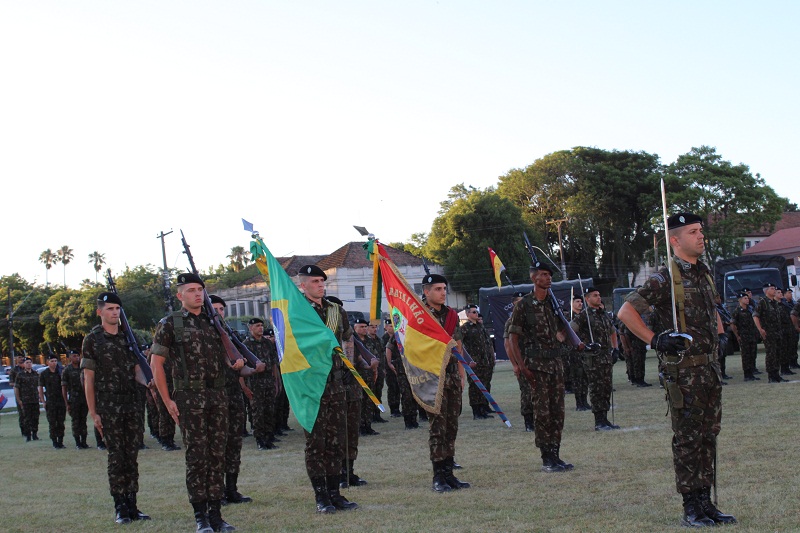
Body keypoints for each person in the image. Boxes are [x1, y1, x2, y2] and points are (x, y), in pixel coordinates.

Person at [618, 212, 736, 527]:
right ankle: (691, 508)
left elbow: (712, 311)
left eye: (701, 231)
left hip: (708, 370)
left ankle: (705, 502)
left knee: (708, 436)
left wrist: (719, 337)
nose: (701, 236)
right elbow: (627, 312)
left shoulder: (705, 274)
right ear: (676, 240)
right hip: (683, 373)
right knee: (687, 439)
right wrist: (656, 339)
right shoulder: (664, 278)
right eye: (694, 232)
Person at [150, 273, 241, 532]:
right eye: (190, 290)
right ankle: (201, 516)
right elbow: (156, 365)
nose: (197, 294)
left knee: (217, 455)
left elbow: (225, 355)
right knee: (197, 456)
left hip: (218, 397)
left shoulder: (214, 323)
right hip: (190, 399)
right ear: (180, 295)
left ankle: (216, 514)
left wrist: (235, 362)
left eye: (200, 289)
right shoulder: (171, 323)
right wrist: (167, 400)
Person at [82, 292, 152, 524]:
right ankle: (120, 507)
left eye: (117, 309)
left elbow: (136, 371)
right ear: (99, 311)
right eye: (110, 308)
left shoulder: (127, 338)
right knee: (116, 456)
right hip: (108, 405)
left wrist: (147, 381)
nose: (114, 312)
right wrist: (94, 412)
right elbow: (89, 379)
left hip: (131, 403)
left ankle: (133, 505)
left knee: (131, 455)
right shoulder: (92, 340)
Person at [297, 266, 358, 513]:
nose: (321, 284)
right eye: (315, 281)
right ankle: (321, 496)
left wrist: (348, 365)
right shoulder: (295, 311)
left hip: (335, 383)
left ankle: (335, 492)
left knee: (336, 441)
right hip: (311, 384)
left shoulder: (336, 310)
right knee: (316, 443)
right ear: (303, 286)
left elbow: (348, 338)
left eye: (322, 280)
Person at [508, 263, 577, 472]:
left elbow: (566, 328)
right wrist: (522, 366)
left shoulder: (553, 304)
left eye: (549, 275)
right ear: (534, 279)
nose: (548, 278)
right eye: (543, 275)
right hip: (536, 367)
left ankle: (556, 454)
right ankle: (546, 457)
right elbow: (512, 338)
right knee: (542, 412)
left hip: (555, 365)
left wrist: (563, 336)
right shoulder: (524, 305)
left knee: (558, 411)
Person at [210, 295, 264, 506]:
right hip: (212, 396)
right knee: (215, 447)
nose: (219, 312)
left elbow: (240, 368)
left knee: (233, 444)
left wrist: (253, 369)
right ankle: (217, 492)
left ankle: (231, 489)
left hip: (232, 395)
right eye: (214, 309)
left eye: (221, 309)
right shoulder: (203, 335)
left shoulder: (228, 335)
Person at [420, 273, 470, 492]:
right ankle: (438, 476)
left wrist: (462, 374)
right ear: (426, 291)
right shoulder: (418, 315)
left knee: (451, 427)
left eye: (443, 289)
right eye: (437, 289)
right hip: (432, 378)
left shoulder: (451, 315)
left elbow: (458, 345)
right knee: (437, 429)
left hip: (451, 376)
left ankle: (449, 474)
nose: (442, 293)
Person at [572, 287, 620, 431]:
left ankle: (605, 419)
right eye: (595, 295)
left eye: (599, 295)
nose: (599, 298)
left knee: (606, 387)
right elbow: (571, 332)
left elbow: (613, 332)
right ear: (587, 299)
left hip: (606, 356)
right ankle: (599, 421)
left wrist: (615, 348)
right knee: (596, 388)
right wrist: (583, 346)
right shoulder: (583, 316)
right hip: (593, 357)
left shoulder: (604, 314)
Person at [243, 317, 280, 450]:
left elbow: (274, 363)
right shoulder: (245, 345)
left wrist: (276, 381)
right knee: (257, 413)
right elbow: (241, 369)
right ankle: (260, 440)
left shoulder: (267, 343)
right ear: (250, 328)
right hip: (254, 384)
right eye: (257, 326)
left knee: (269, 411)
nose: (261, 328)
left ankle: (269, 438)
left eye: (261, 325)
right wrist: (245, 387)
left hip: (269, 382)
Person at [504, 291, 535, 429]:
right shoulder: (511, 321)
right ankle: (528, 422)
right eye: (520, 302)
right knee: (527, 392)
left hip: (537, 361)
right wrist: (515, 364)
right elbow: (508, 344)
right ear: (514, 304)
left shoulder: (531, 318)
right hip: (523, 362)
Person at [461, 304, 494, 420]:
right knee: (474, 386)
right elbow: (459, 345)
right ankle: (476, 411)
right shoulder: (465, 328)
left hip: (484, 362)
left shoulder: (480, 326)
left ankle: (482, 409)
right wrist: (467, 360)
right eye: (474, 312)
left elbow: (487, 343)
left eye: (476, 312)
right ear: (467, 314)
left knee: (483, 385)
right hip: (473, 363)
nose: (476, 314)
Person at [753, 283, 784, 383]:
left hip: (777, 332)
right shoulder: (763, 302)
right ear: (766, 291)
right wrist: (760, 329)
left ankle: (777, 374)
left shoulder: (774, 302)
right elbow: (755, 316)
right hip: (768, 333)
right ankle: (771, 376)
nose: (774, 290)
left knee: (778, 353)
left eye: (775, 288)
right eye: (772, 289)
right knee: (771, 353)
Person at [62, 350, 91, 448]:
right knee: (75, 421)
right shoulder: (67, 370)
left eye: (78, 356)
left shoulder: (83, 368)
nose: (77, 358)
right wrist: (66, 403)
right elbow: (64, 387)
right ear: (70, 358)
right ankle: (78, 442)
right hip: (74, 399)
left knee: (83, 420)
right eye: (74, 356)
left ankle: (84, 441)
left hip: (84, 398)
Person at [39, 354, 67, 448]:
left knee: (61, 422)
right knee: (52, 422)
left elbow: (65, 386)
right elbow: (40, 388)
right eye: (52, 361)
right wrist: (43, 401)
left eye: (55, 361)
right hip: (50, 402)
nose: (54, 363)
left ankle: (60, 441)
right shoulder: (44, 374)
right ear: (47, 362)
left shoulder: (61, 372)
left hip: (60, 401)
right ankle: (54, 441)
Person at [730, 292, 759, 381]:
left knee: (752, 354)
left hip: (752, 335)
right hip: (744, 335)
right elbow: (732, 324)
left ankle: (752, 372)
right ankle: (747, 374)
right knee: (746, 355)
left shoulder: (750, 309)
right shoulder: (737, 311)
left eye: (747, 298)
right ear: (740, 300)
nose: (747, 299)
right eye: (745, 298)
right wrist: (737, 335)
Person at [365, 321, 387, 424]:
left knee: (378, 393)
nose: (374, 329)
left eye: (376, 327)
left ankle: (377, 414)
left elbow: (382, 355)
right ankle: (369, 416)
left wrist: (383, 369)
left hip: (380, 371)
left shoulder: (380, 340)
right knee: (370, 394)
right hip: (370, 372)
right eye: (372, 327)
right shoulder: (365, 341)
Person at [14, 357, 40, 441]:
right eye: (27, 362)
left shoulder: (35, 374)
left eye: (30, 362)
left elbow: (39, 386)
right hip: (25, 400)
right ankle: (28, 435)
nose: (29, 364)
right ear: (24, 364)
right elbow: (16, 388)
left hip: (35, 400)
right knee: (26, 418)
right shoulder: (20, 375)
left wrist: (40, 396)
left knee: (35, 418)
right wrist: (19, 400)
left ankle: (35, 434)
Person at [381, 318, 402, 418]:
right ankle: (393, 409)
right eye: (390, 326)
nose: (392, 328)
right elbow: (382, 354)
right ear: (385, 327)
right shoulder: (383, 339)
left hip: (398, 366)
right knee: (392, 388)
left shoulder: (398, 337)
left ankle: (397, 408)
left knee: (398, 388)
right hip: (388, 367)